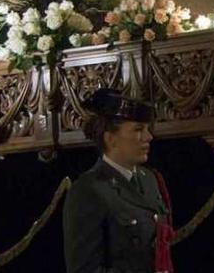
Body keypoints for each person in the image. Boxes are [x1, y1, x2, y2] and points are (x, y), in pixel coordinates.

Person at [63, 88, 173, 273]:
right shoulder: (88, 190)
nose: (148, 137)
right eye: (138, 130)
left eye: (147, 129)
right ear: (111, 139)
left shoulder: (150, 180)